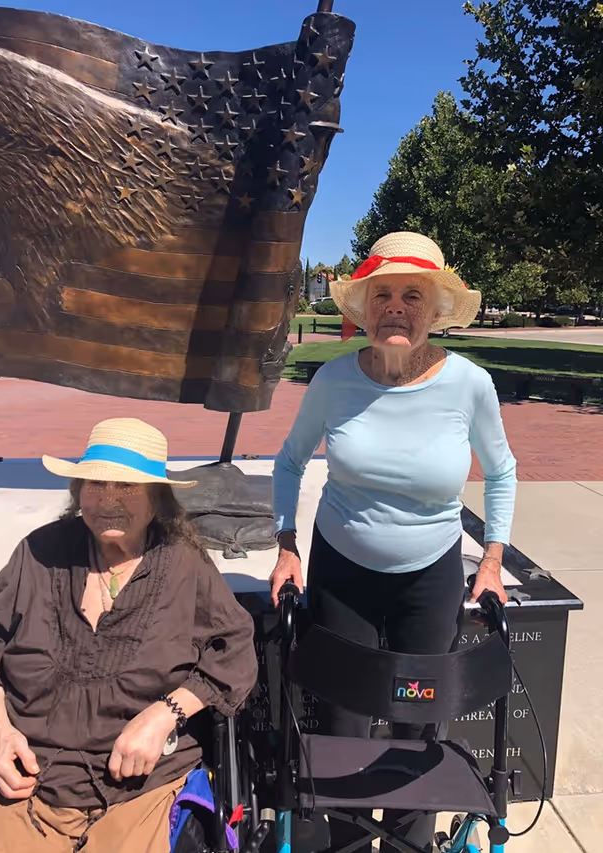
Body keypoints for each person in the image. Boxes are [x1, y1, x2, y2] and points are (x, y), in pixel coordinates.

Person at [270, 232, 517, 849]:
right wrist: (286, 546)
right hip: (342, 573)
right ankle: (347, 842)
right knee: (343, 722)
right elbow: (290, 461)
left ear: (434, 310)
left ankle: (410, 843)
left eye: (413, 295)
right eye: (383, 295)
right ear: (364, 307)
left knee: (420, 725)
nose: (396, 308)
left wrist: (492, 559)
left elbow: (502, 472)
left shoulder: (469, 384)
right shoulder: (333, 380)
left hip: (430, 576)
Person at [0, 418, 258, 853]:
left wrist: (165, 715)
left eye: (127, 486)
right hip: (26, 783)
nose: (108, 500)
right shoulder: (39, 552)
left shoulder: (183, 564)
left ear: (157, 498)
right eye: (96, 484)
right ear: (78, 491)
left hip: (140, 790)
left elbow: (234, 650)